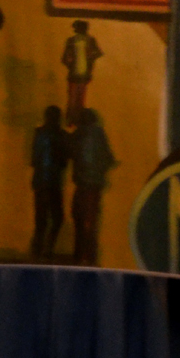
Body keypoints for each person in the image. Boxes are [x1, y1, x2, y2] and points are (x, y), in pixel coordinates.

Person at [68, 107, 116, 266]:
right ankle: (88, 257)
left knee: (79, 218)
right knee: (90, 221)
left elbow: (70, 153)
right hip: (94, 185)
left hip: (82, 184)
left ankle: (80, 255)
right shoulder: (99, 134)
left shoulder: (78, 135)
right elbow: (108, 158)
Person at [30, 103, 72, 260]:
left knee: (41, 219)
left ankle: (37, 249)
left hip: (40, 181)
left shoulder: (39, 133)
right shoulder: (61, 135)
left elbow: (34, 160)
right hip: (54, 182)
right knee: (57, 218)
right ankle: (47, 249)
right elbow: (64, 161)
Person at [62, 20, 102, 122]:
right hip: (74, 74)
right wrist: (69, 62)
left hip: (84, 74)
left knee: (80, 99)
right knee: (72, 99)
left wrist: (90, 55)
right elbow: (64, 58)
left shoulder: (90, 40)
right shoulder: (71, 41)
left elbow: (98, 52)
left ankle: (78, 121)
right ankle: (70, 120)